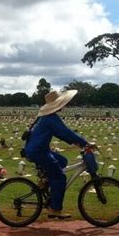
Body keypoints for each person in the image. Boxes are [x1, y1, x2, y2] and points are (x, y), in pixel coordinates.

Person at [24, 89, 88, 219]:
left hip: (38, 149)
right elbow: (65, 133)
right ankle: (55, 209)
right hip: (38, 152)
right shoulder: (51, 118)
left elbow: (63, 133)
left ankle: (45, 181)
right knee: (60, 178)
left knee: (62, 161)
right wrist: (84, 143)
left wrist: (79, 142)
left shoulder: (44, 117)